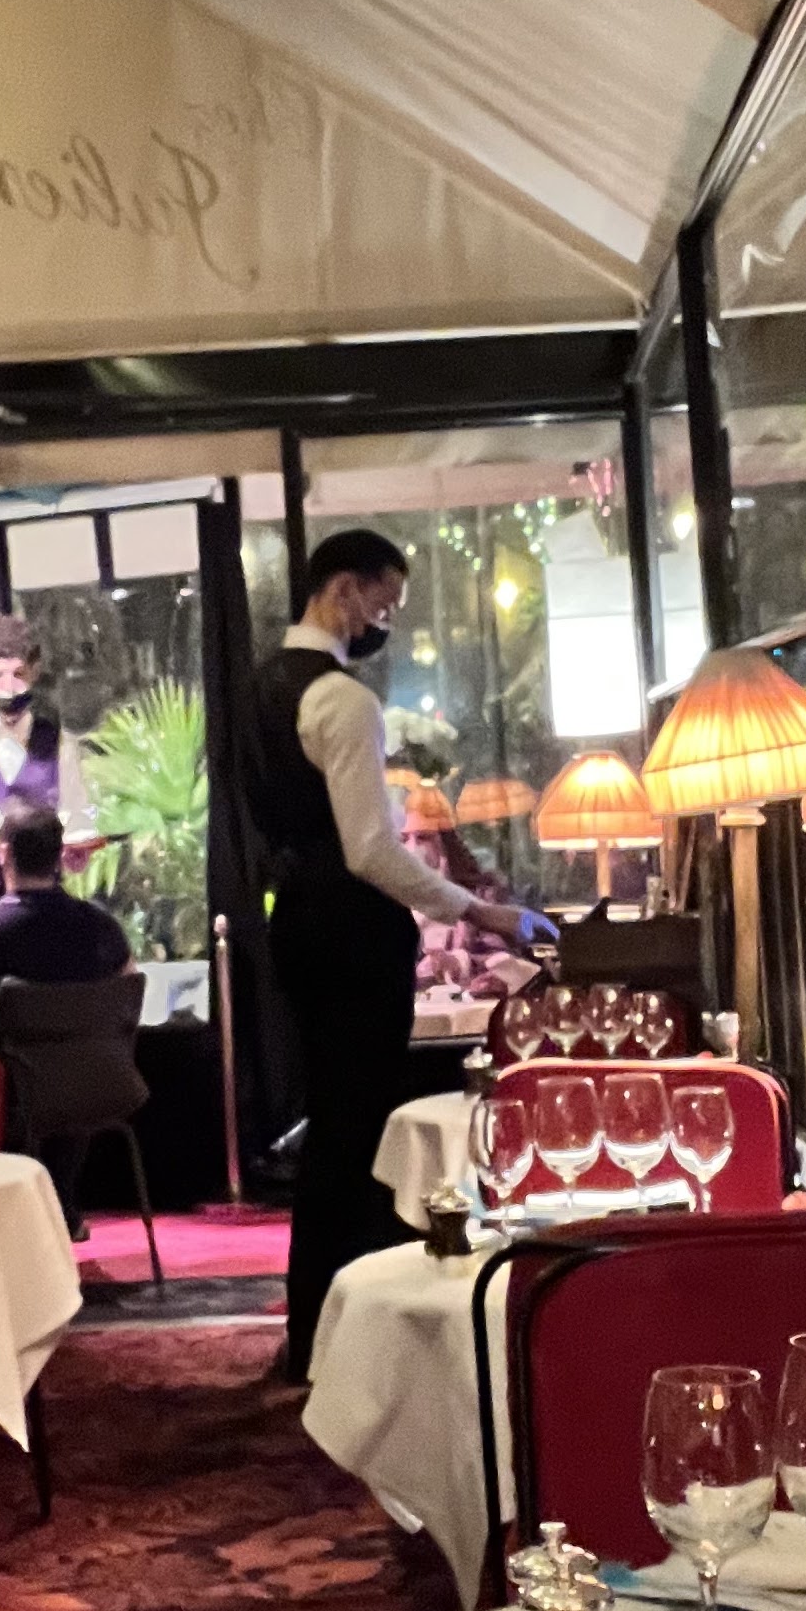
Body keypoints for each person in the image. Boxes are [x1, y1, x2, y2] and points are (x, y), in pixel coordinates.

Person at [248, 527, 553, 1380]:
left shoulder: (261, 687)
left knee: (334, 1131)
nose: (385, 622)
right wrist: (480, 910)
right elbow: (370, 851)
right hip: (352, 931)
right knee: (359, 1136)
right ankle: (354, 1344)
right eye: (384, 603)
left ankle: (317, 1332)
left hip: (296, 923)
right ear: (345, 589)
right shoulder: (342, 699)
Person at [0, 614, 93, 927]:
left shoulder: (58, 741)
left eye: (18, 674)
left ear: (34, 672)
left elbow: (76, 816)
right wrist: (14, 823)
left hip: (41, 906)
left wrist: (77, 846)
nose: (9, 687)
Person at [0, 801, 131, 1040]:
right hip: (90, 1062)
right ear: (59, 856)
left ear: (3, 852)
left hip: (9, 1064)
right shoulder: (102, 927)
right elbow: (130, 989)